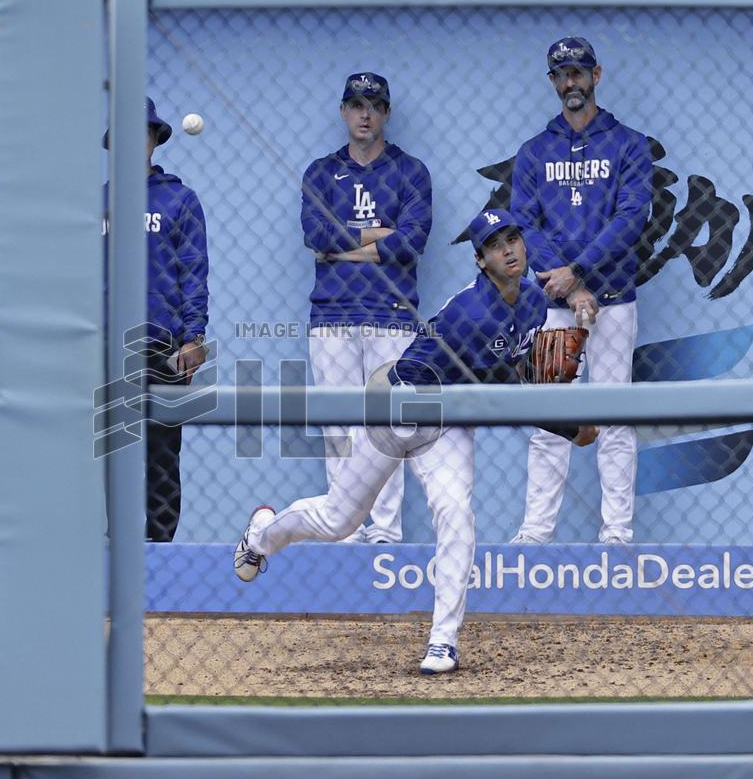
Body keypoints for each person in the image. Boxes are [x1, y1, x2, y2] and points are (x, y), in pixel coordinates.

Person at [234, 209, 598, 674]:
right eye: (494, 245)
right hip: (400, 408)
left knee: (456, 513)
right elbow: (511, 391)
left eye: (513, 239)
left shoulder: (531, 303)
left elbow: (516, 373)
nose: (508, 250)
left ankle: (443, 641)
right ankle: (261, 536)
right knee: (339, 520)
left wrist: (565, 410)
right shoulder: (473, 314)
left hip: (448, 421)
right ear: (481, 260)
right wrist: (571, 426)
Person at [509, 37, 652, 545]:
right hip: (554, 310)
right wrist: (568, 289)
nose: (571, 81)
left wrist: (581, 271)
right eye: (562, 74)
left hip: (613, 303)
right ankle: (534, 536)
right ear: (552, 81)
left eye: (579, 71)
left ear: (597, 74)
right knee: (551, 421)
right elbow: (525, 224)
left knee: (616, 418)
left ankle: (617, 534)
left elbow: (632, 216)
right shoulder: (534, 152)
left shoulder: (628, 144)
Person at [300, 72, 433, 544]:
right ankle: (344, 528)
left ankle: (384, 530)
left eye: (373, 105)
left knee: (386, 425)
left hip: (392, 313)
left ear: (386, 113)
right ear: (342, 111)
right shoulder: (321, 172)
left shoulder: (410, 172)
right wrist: (381, 234)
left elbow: (412, 241)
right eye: (356, 104)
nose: (364, 113)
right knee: (338, 423)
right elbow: (316, 236)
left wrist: (344, 246)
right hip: (332, 315)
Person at [104, 98, 209, 541]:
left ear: (154, 140)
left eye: (142, 133)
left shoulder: (179, 200)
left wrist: (194, 335)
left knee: (163, 450)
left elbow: (194, 269)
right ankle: (119, 545)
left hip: (161, 344)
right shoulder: (98, 202)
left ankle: (160, 549)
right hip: (106, 345)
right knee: (112, 450)